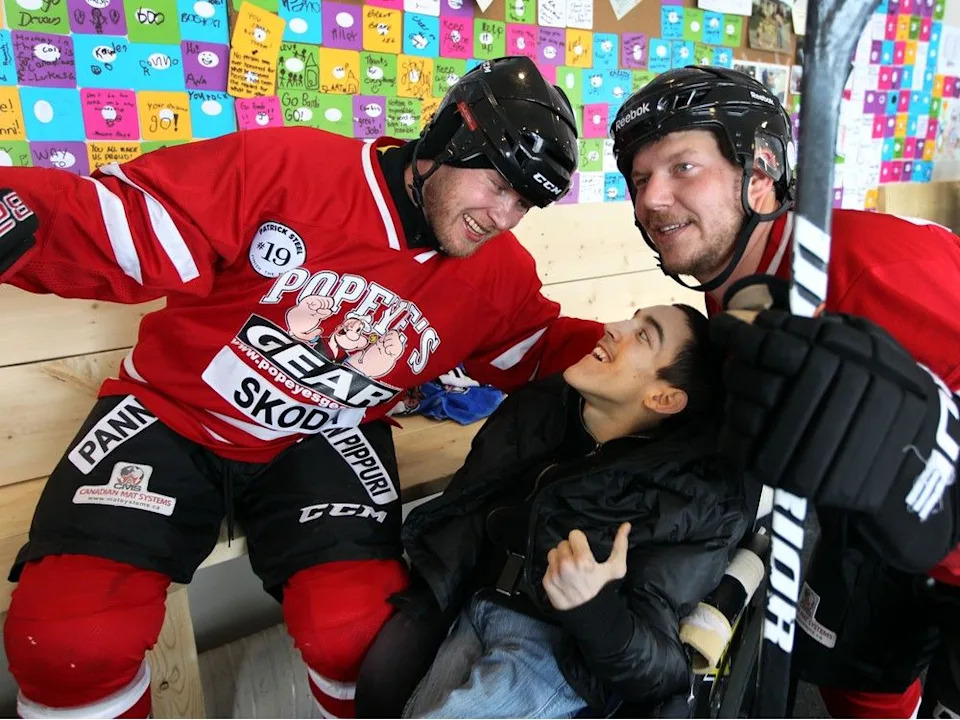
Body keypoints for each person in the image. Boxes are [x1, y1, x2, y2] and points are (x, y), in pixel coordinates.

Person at [0, 56, 603, 719]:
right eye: (499, 184)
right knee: (69, 638)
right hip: (176, 413)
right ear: (446, 142)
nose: (502, 217)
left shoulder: (497, 273)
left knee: (359, 632)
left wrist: (681, 366)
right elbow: (118, 224)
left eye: (525, 202)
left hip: (326, 434)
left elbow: (548, 352)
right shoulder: (293, 167)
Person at [610, 65, 960, 718]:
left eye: (683, 167)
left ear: (762, 174)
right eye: (639, 178)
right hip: (860, 529)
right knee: (852, 677)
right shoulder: (735, 285)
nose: (651, 198)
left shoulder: (873, 265)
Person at [397, 303, 749, 718]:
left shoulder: (688, 498)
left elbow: (663, 671)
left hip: (556, 652)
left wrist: (594, 606)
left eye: (643, 335)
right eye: (629, 319)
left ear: (664, 397)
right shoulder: (540, 409)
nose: (612, 327)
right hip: (475, 604)